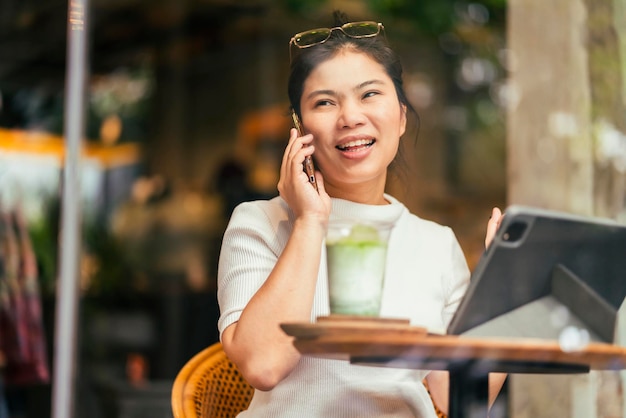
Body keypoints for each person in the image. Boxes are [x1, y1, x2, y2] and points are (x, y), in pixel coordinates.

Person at [217, 12, 504, 417]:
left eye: (369, 94)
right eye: (325, 102)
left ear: (402, 116)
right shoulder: (259, 223)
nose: (350, 117)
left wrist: (501, 295)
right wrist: (311, 221)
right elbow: (263, 365)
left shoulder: (436, 244)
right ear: (299, 131)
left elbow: (456, 397)